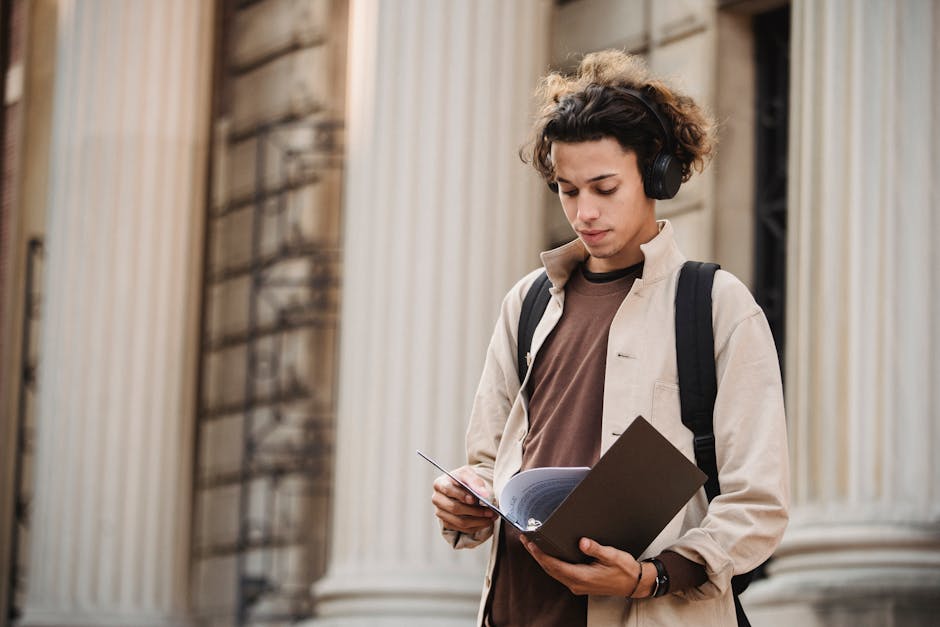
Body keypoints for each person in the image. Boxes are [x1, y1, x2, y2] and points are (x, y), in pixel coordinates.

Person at [430, 49, 789, 626]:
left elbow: (758, 503)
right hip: (515, 612)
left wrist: (651, 577)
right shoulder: (526, 303)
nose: (584, 212)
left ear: (657, 176)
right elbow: (483, 463)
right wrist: (463, 498)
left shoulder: (717, 305)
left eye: (603, 187)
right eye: (569, 191)